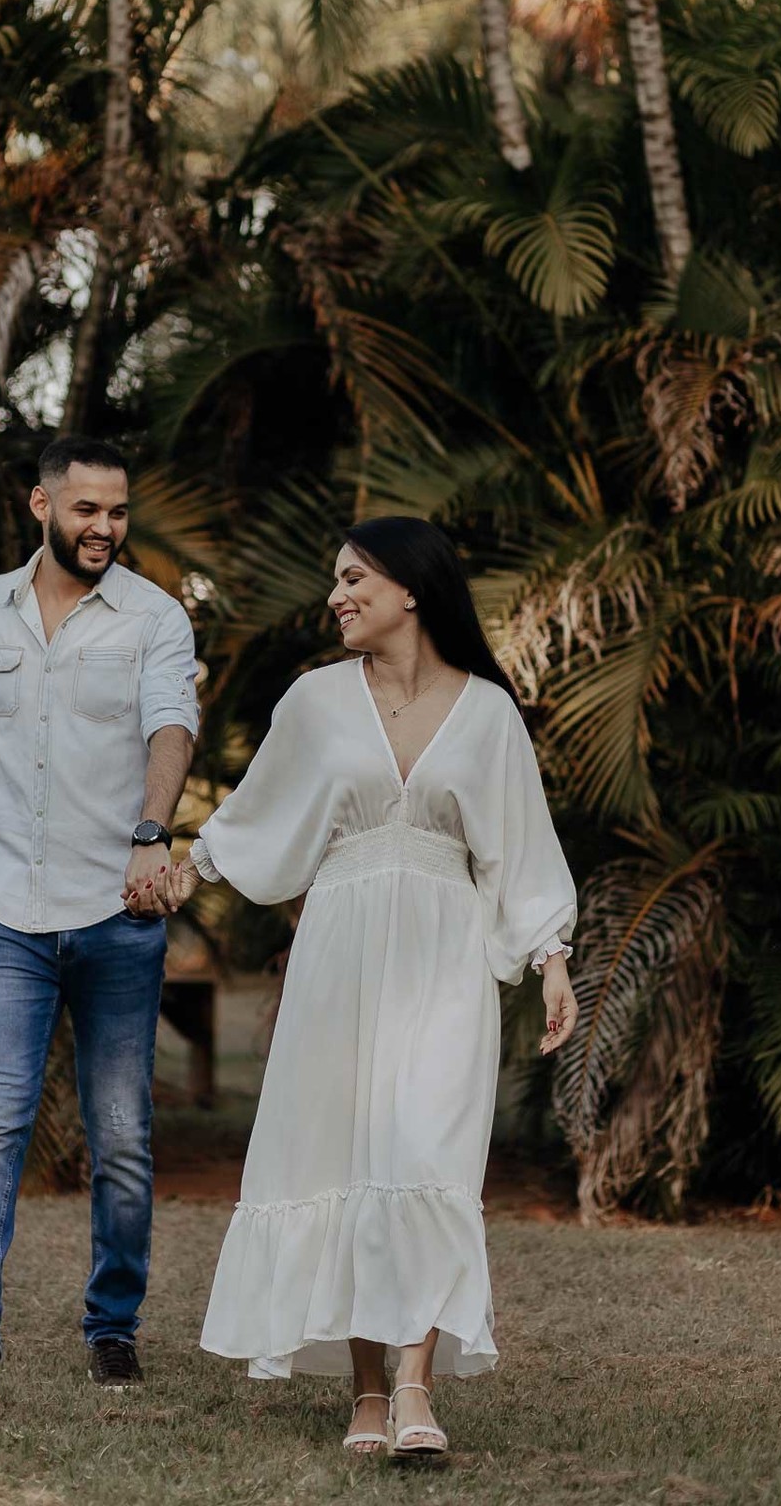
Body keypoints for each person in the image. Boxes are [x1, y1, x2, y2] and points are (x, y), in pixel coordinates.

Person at [141, 516, 578, 1460]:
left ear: (411, 589)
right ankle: (369, 1395)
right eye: (335, 581)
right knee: (346, 1161)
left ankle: (418, 1387)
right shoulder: (315, 701)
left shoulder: (489, 712)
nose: (336, 596)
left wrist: (551, 958)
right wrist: (192, 868)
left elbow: (519, 844)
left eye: (353, 578)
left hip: (446, 956)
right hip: (341, 952)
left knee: (427, 1156)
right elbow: (260, 813)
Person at [0, 436, 199, 1404]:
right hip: (5, 913)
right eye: (86, 510)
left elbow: (173, 725)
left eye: (118, 512)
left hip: (117, 918)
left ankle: (112, 1327)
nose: (105, 529)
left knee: (120, 1134)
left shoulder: (154, 619)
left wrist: (152, 832)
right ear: (40, 504)